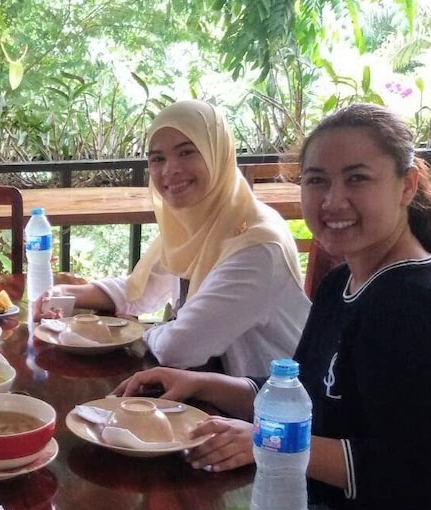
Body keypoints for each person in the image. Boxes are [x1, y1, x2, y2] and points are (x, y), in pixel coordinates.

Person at [116, 103, 431, 510]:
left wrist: (265, 442)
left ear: (406, 185)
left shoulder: (421, 307)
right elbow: (304, 396)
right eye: (317, 180)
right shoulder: (342, 283)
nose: (333, 201)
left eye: (357, 178)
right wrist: (203, 383)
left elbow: (412, 469)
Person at [34, 100, 309, 377]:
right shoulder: (202, 223)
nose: (170, 170)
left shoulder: (257, 244)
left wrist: (142, 332)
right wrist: (65, 293)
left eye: (187, 152)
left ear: (218, 153)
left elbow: (181, 347)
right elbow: (140, 290)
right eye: (157, 159)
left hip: (265, 408)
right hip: (206, 388)